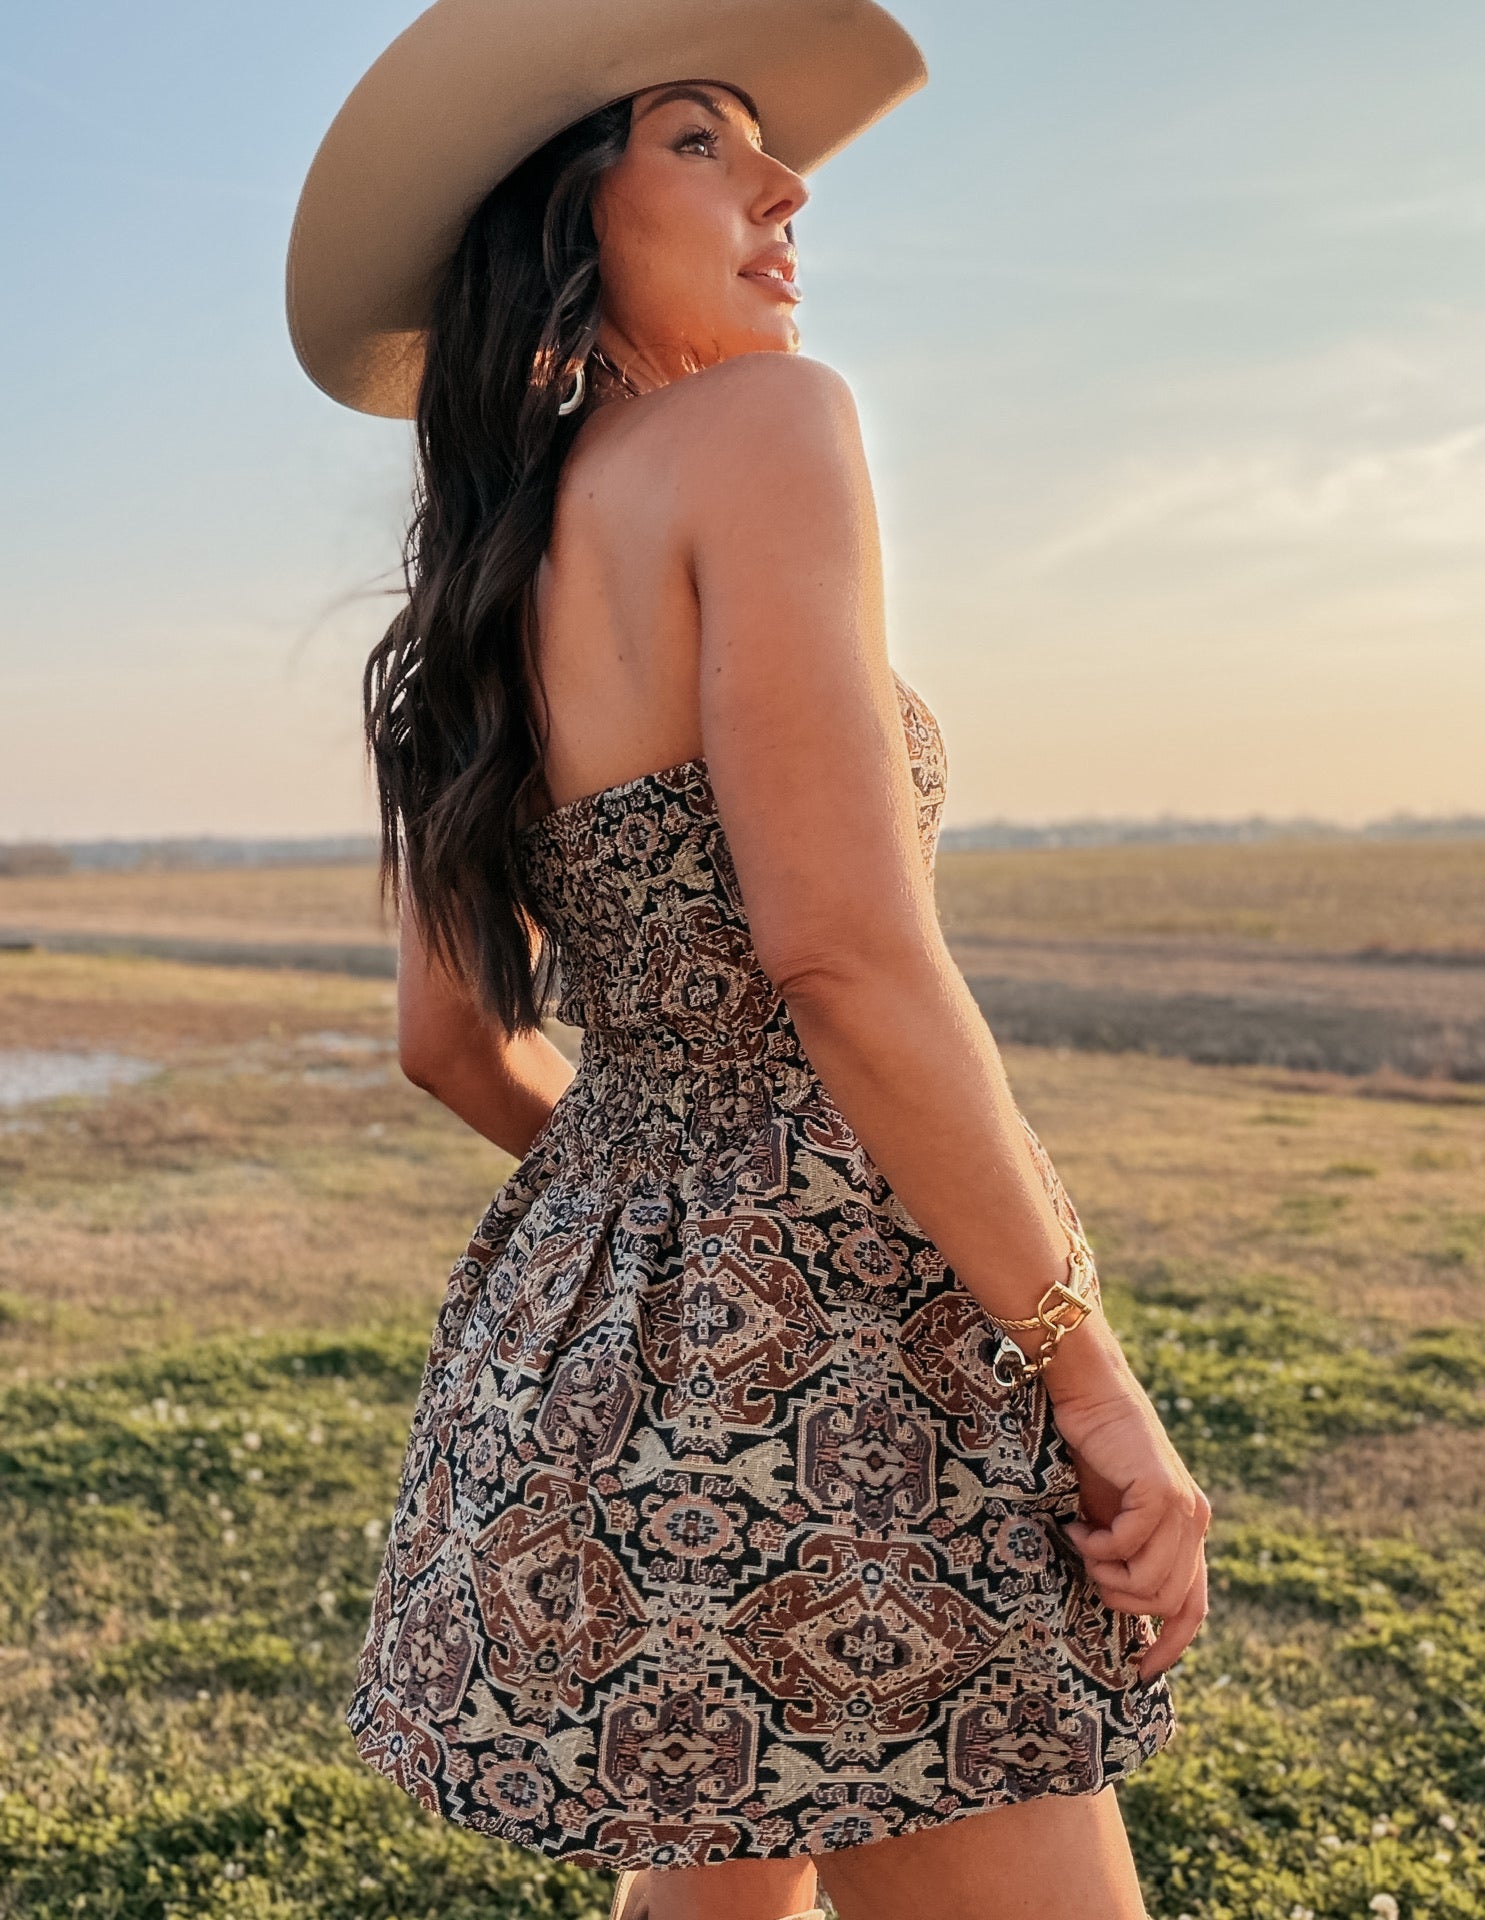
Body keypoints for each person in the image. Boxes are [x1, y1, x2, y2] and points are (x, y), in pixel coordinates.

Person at [285, 5, 1211, 1917]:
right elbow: (845, 952)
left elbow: (447, 1049)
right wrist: (1091, 1376)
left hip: (613, 1369)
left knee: (722, 1890)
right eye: (702, 142)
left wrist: (656, 1220)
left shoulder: (479, 578)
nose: (787, 188)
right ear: (563, 218)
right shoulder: (770, 427)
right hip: (851, 1370)